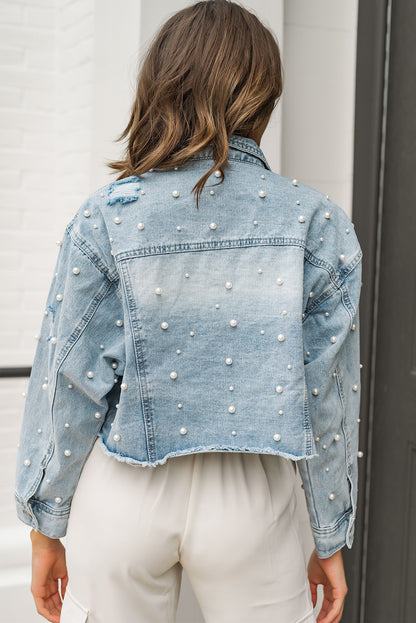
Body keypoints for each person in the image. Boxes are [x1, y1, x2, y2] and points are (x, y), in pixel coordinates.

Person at [15, 1, 362, 622]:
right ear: (262, 95)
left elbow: (65, 380)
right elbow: (325, 396)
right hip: (253, 498)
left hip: (126, 486)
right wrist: (329, 533)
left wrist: (46, 525)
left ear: (159, 88)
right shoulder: (316, 223)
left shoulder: (106, 216)